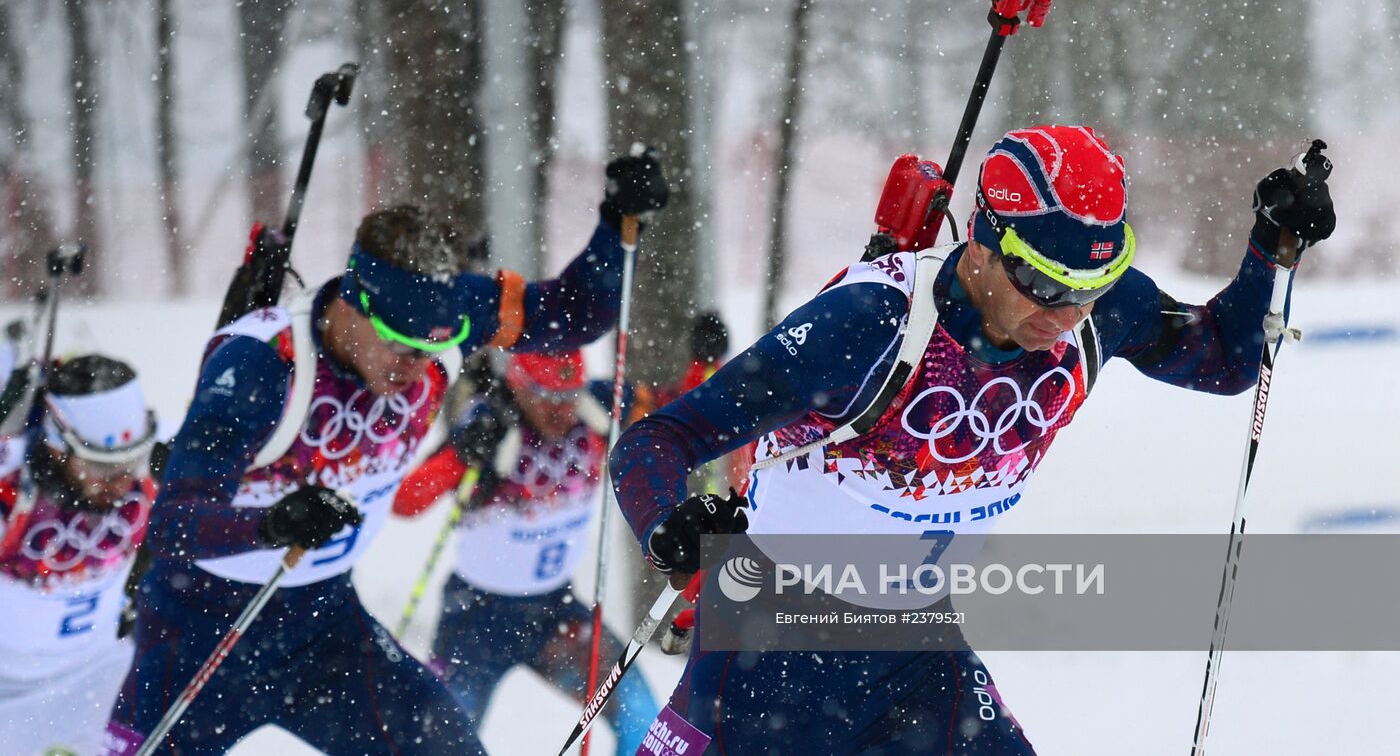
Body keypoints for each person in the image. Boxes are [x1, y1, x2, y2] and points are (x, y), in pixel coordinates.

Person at [609, 126, 1335, 754]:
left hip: (919, 650)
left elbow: (1224, 358)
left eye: (1092, 284)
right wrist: (667, 525)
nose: (1066, 310)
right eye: (1043, 283)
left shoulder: (1093, 309)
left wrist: (1271, 247)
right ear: (984, 245)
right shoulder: (869, 324)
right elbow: (656, 440)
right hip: (771, 648)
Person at [106, 150, 669, 755]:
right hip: (200, 635)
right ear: (354, 304)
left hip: (326, 630)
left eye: (435, 351)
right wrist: (273, 523)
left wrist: (615, 225)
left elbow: (571, 313)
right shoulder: (260, 368)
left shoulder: (453, 311)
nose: (416, 369)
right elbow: (173, 522)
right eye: (401, 347)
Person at [393, 349, 659, 754]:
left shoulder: (597, 416)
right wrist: (462, 453)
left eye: (569, 395)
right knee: (442, 741)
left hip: (555, 612)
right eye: (547, 396)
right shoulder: (492, 426)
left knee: (642, 715)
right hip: (476, 620)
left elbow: (673, 410)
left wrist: (694, 369)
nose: (561, 410)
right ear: (518, 385)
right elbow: (406, 502)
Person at [0, 355, 160, 756]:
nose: (121, 483)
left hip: (99, 679)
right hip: (9, 689)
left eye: (131, 463)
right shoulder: (14, 491)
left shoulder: (142, 482)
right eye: (102, 469)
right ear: (56, 448)